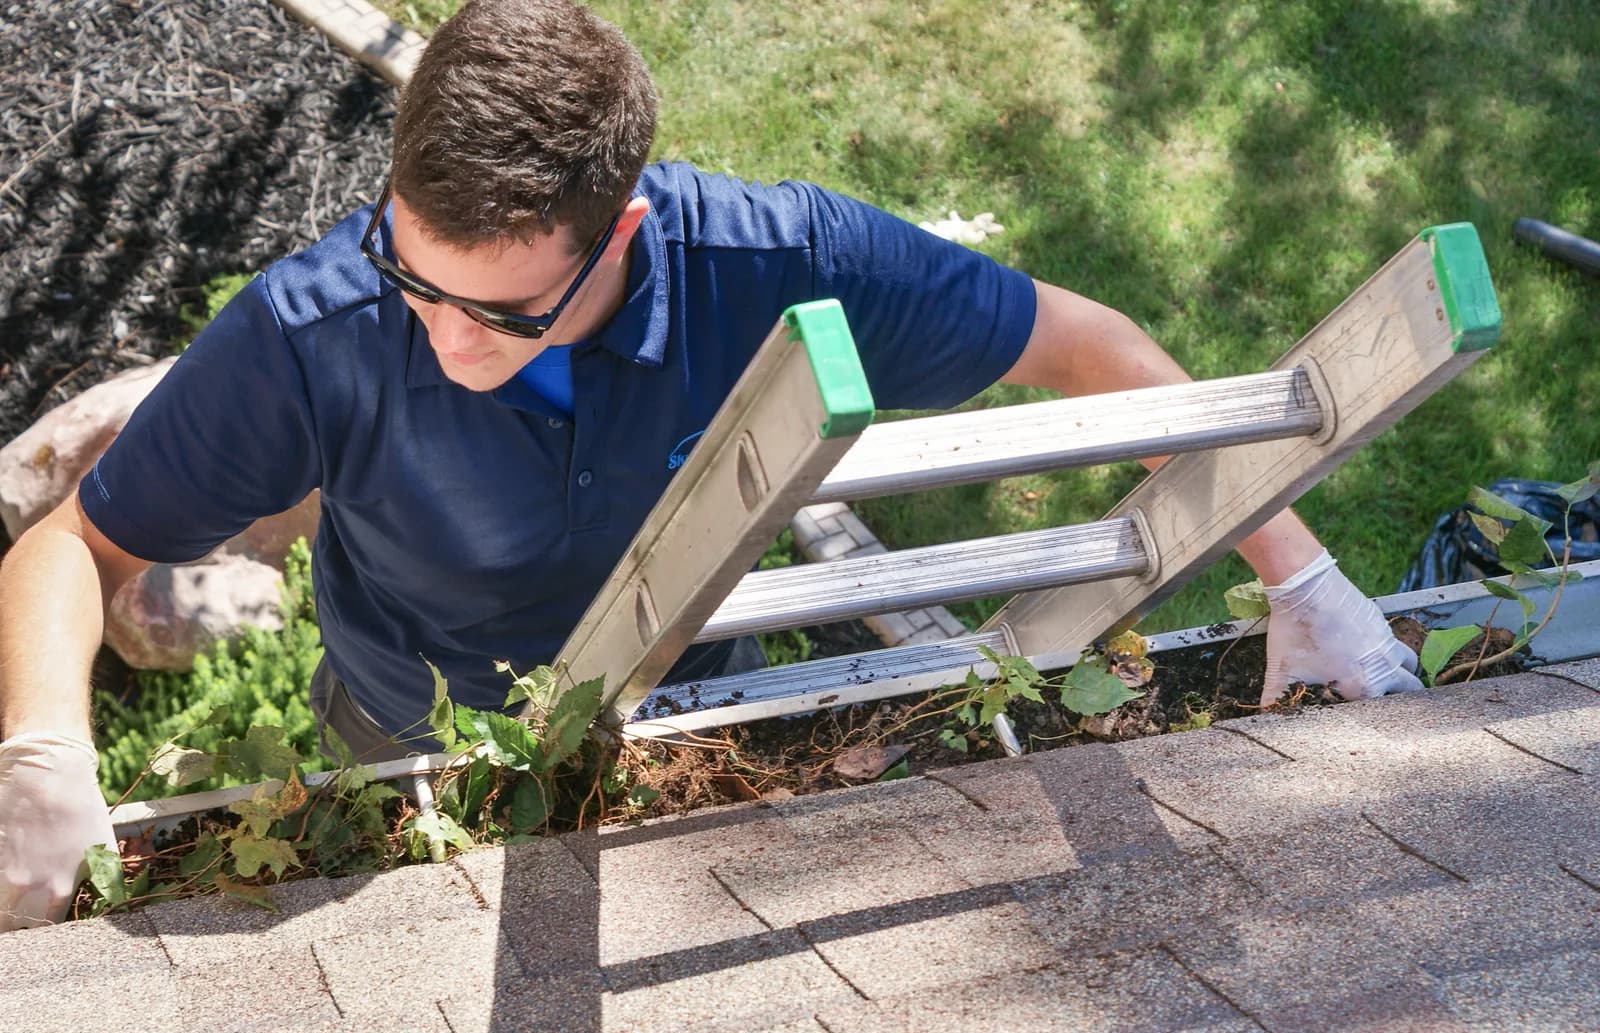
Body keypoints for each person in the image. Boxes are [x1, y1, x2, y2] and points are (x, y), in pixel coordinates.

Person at [0, 0, 1421, 930]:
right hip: (409, 728)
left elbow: (1092, 347)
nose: (431, 339)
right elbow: (70, 547)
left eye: (493, 313)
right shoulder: (315, 330)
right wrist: (45, 748)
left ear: (617, 241)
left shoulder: (777, 258)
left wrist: (1302, 580)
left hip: (708, 701)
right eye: (407, 274)